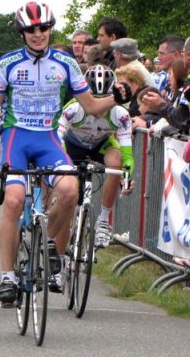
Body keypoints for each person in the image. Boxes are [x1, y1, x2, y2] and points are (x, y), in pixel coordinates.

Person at [0, 1, 131, 304]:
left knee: (70, 191)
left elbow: (92, 107)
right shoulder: (7, 64)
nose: (38, 33)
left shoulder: (66, 63)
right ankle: (7, 277)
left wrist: (116, 97)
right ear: (22, 32)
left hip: (48, 139)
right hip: (16, 136)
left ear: (50, 29)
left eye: (43, 28)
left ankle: (50, 247)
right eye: (31, 29)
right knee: (15, 200)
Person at [59, 65, 134, 248]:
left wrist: (127, 173)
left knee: (115, 162)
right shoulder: (73, 109)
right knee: (69, 190)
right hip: (72, 146)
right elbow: (57, 140)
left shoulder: (121, 114)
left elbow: (127, 154)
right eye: (94, 99)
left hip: (101, 145)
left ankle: (103, 220)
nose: (100, 106)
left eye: (105, 99)